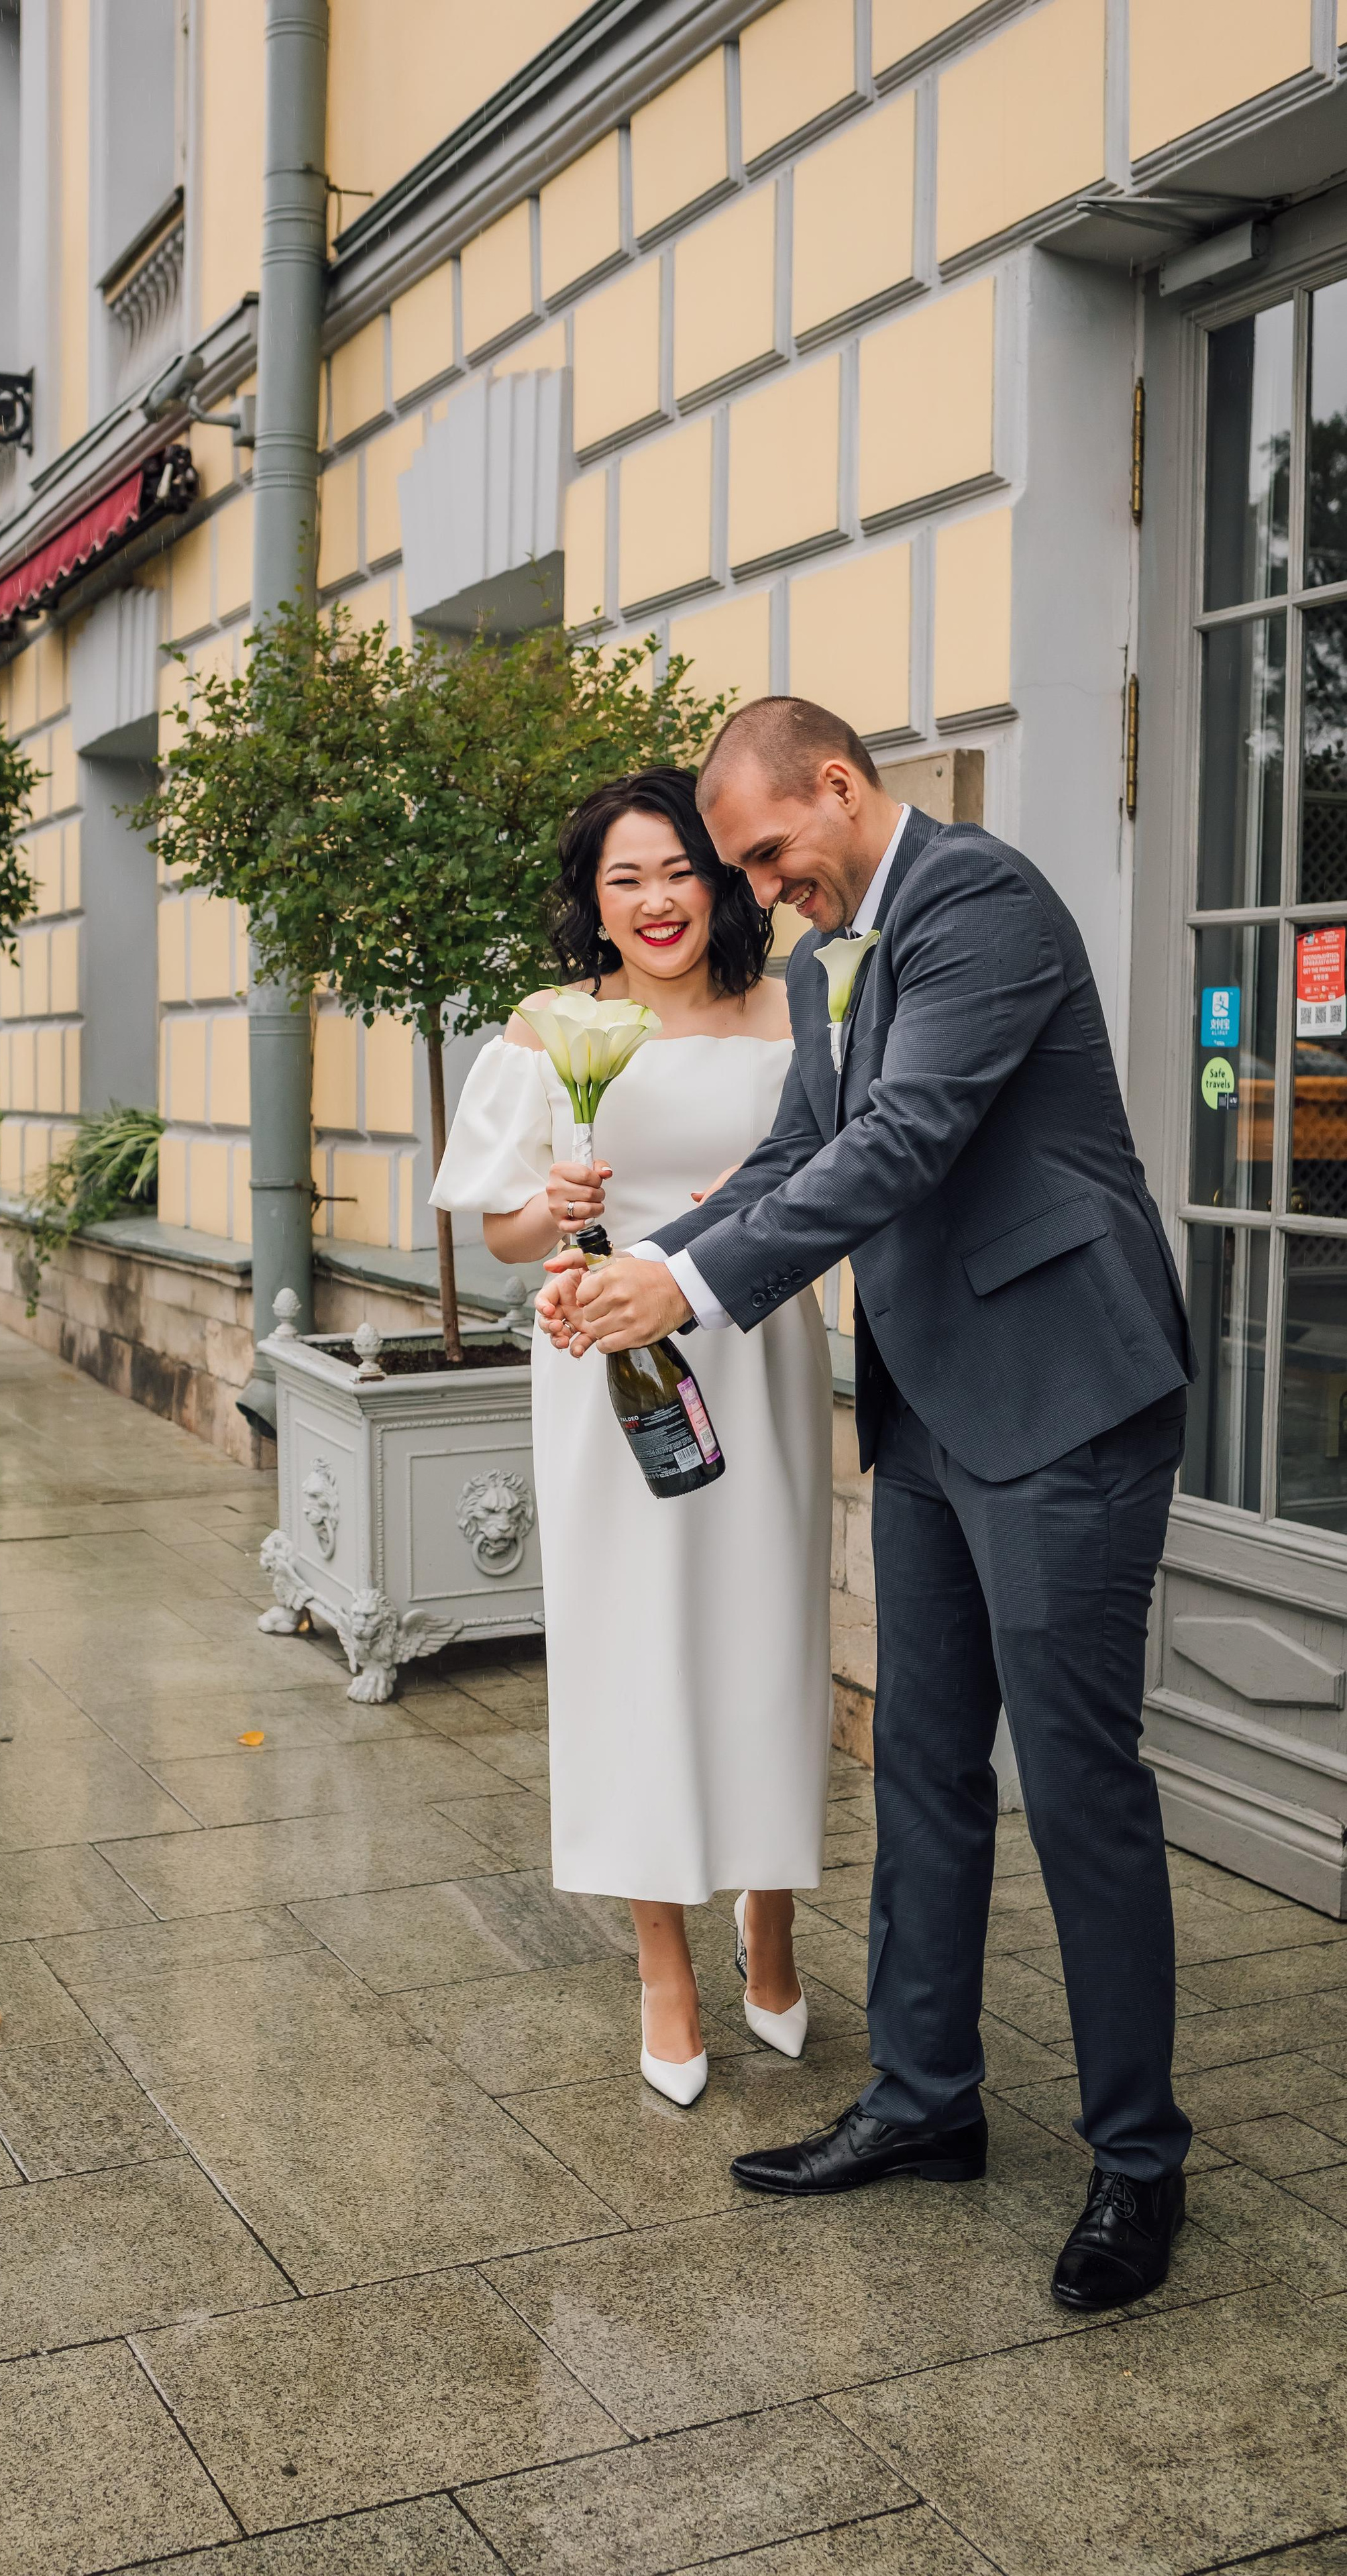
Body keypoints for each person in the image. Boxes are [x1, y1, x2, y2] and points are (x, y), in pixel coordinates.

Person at [538, 699, 1197, 2314]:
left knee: (1074, 1782)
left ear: (838, 787)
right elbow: (801, 1143)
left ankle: (1136, 2159)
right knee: (917, 1765)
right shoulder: (835, 955)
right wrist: (646, 1269)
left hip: (1061, 1399)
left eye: (769, 850)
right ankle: (923, 2102)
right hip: (926, 1411)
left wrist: (683, 1287)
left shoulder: (982, 901)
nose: (760, 888)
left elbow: (903, 1141)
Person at [431, 767, 834, 2106]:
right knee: (630, 1653)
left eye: (677, 871)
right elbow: (493, 1228)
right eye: (624, 878)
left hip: (759, 1351)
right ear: (591, 904)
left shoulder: (793, 1015)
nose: (654, 900)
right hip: (607, 1357)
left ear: (721, 880)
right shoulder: (550, 1025)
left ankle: (767, 1918)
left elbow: (838, 1173)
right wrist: (549, 1207)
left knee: (768, 1637)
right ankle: (660, 1963)